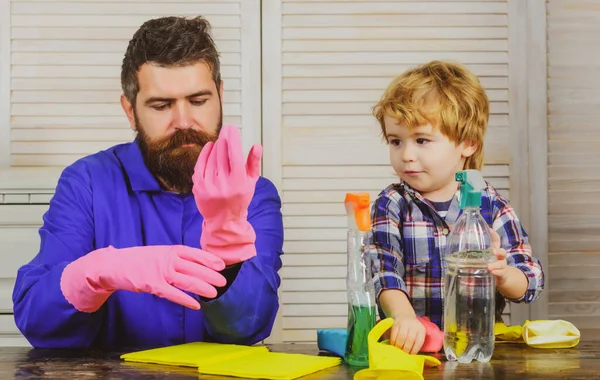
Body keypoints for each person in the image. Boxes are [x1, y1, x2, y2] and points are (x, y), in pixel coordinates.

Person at [11, 16, 284, 350]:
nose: (184, 121)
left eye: (198, 101)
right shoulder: (87, 184)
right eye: (161, 105)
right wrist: (98, 272)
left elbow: (248, 328)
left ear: (220, 95)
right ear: (130, 110)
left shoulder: (253, 193)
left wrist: (228, 251)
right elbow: (39, 324)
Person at [367, 60, 545, 354]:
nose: (406, 155)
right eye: (396, 141)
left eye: (422, 140)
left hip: (474, 349)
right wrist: (404, 318)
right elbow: (384, 272)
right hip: (409, 348)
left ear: (468, 143)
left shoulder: (491, 206)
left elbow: (530, 281)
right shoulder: (391, 204)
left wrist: (503, 274)